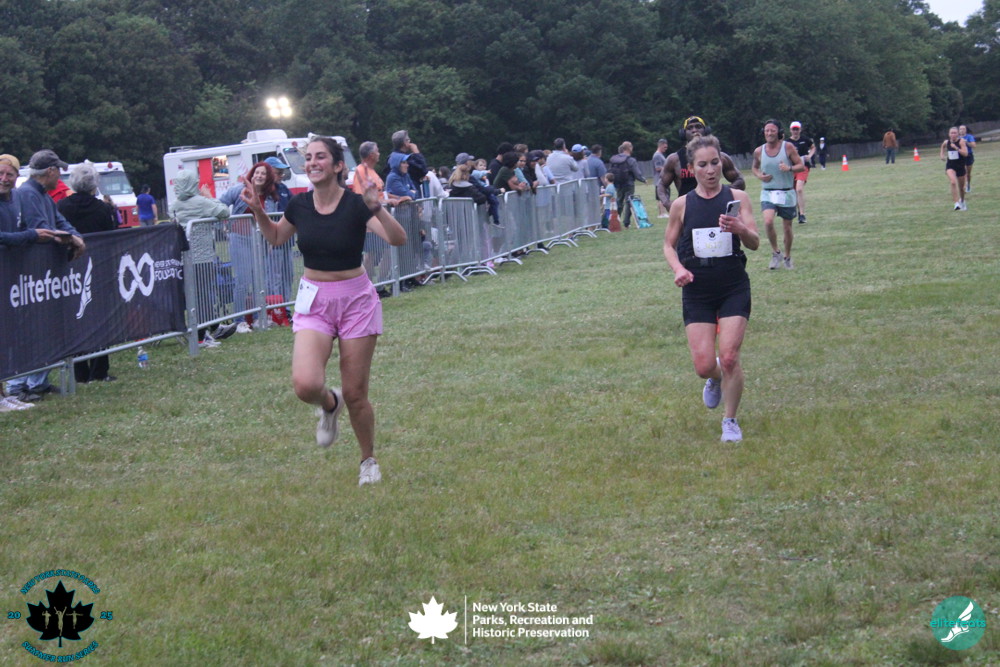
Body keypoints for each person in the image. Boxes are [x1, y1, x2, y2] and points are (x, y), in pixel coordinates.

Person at [241, 136, 407, 486]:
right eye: (309, 158)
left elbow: (397, 239)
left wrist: (377, 208)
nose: (312, 162)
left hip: (356, 300)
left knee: (356, 393)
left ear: (337, 165)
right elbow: (276, 238)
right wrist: (257, 210)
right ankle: (330, 404)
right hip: (314, 300)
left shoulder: (356, 204)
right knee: (305, 385)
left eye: (320, 157)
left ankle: (368, 461)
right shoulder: (299, 206)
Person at [663, 135, 759, 443]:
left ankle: (730, 421)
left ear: (722, 163)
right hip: (698, 289)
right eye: (703, 165)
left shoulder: (738, 198)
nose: (710, 170)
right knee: (704, 366)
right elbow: (668, 245)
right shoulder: (682, 205)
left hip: (732, 284)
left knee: (729, 357)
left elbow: (755, 242)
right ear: (691, 169)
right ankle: (715, 378)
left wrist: (741, 229)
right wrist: (679, 269)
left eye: (715, 163)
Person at [7, 150, 87, 402]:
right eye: (58, 170)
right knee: (27, 330)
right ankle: (19, 384)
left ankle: (38, 381)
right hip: (28, 276)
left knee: (44, 328)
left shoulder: (43, 195)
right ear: (50, 171)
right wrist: (71, 239)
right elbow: (42, 229)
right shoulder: (27, 194)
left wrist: (76, 237)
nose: (60, 176)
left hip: (44, 276)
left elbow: (61, 222)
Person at [57, 164, 120, 383]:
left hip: (71, 270)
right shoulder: (103, 209)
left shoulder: (61, 207)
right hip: (99, 268)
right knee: (100, 318)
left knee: (75, 319)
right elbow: (112, 237)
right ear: (95, 184)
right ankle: (99, 370)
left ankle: (80, 371)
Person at [171, 170, 236, 347]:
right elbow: (224, 212)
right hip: (202, 257)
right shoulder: (201, 202)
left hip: (182, 258)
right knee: (204, 296)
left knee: (194, 296)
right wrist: (209, 196)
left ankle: (212, 327)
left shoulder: (173, 205)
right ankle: (201, 335)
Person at [659, 116, 745, 213]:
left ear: (706, 130)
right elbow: (661, 184)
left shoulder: (720, 157)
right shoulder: (674, 159)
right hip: (688, 211)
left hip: (717, 207)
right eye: (690, 128)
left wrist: (723, 192)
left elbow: (739, 180)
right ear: (683, 133)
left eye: (698, 126)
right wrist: (667, 203)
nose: (694, 130)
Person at [752, 119, 805, 270]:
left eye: (772, 130)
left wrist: (789, 168)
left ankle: (787, 257)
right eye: (767, 130)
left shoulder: (788, 147)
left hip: (786, 192)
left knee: (787, 227)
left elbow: (801, 166)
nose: (769, 133)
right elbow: (754, 168)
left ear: (779, 132)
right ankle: (776, 253)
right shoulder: (759, 151)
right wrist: (759, 176)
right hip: (768, 192)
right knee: (768, 222)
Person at [607, 141, 646, 229]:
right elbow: (637, 173)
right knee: (629, 202)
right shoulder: (631, 160)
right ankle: (626, 223)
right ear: (629, 148)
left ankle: (616, 220)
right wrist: (643, 180)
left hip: (618, 184)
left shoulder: (615, 159)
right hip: (629, 184)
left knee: (619, 202)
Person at [787, 121, 815, 223]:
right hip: (792, 168)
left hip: (803, 167)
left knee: (799, 189)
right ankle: (799, 213)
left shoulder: (805, 139)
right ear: (790, 130)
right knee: (794, 191)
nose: (795, 131)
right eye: (793, 129)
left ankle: (802, 214)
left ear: (800, 130)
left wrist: (809, 156)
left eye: (797, 129)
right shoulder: (787, 142)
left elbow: (813, 147)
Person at [939, 127, 968, 211]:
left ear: (958, 134)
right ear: (949, 134)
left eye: (955, 133)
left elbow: (965, 154)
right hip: (950, 165)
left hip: (960, 166)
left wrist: (956, 148)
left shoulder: (961, 141)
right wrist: (942, 155)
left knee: (961, 188)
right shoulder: (947, 142)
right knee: (953, 182)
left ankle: (962, 201)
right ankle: (956, 203)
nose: (953, 134)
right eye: (951, 133)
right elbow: (942, 146)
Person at [652, 138, 670, 217]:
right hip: (659, 180)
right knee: (661, 197)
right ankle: (662, 213)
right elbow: (657, 168)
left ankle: (662, 213)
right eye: (665, 147)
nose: (666, 149)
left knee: (663, 196)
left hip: (662, 179)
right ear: (661, 145)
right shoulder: (657, 155)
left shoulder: (660, 155)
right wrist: (668, 168)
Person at [959, 125, 976, 192]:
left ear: (966, 130)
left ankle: (968, 184)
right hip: (960, 156)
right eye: (960, 129)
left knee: (968, 173)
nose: (962, 130)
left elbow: (974, 145)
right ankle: (963, 186)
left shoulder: (969, 137)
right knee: (963, 172)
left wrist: (966, 142)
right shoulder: (957, 138)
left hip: (969, 156)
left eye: (963, 129)